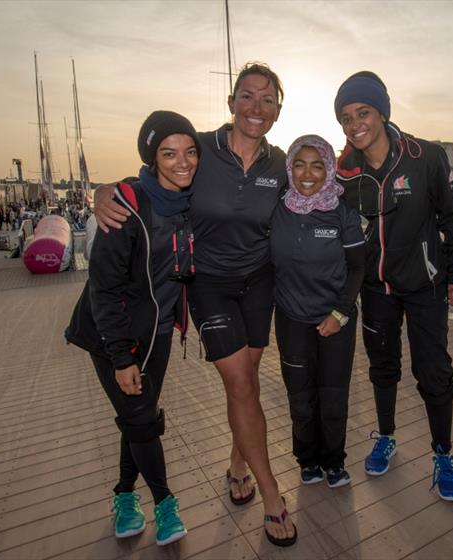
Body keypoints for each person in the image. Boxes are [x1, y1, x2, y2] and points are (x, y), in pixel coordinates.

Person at [92, 63, 297, 546]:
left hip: (259, 282)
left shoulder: (279, 163)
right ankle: (271, 496)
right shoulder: (201, 148)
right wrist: (102, 191)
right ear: (231, 103)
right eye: (247, 96)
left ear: (277, 111)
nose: (256, 108)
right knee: (243, 384)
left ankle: (237, 462)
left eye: (267, 100)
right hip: (209, 285)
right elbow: (155, 173)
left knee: (242, 383)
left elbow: (315, 195)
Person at [333, 71, 453, 501]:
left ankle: (443, 453)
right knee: (382, 367)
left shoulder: (425, 156)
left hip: (426, 285)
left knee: (434, 371)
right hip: (376, 290)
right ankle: (387, 435)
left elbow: (452, 219)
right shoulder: (344, 173)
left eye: (363, 112)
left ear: (382, 112)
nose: (355, 123)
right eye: (346, 116)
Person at [65, 110, 199, 546]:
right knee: (141, 417)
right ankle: (164, 502)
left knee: (134, 418)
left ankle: (124, 495)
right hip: (111, 336)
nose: (183, 162)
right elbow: (102, 290)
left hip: (158, 333)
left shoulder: (189, 201)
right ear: (152, 157)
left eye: (190, 151)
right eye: (169, 152)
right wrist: (121, 356)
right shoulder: (125, 207)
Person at [270, 135, 364, 488]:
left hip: (335, 320)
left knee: (333, 394)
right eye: (299, 163)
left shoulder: (342, 212)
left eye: (317, 164)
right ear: (289, 167)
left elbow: (357, 268)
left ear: (329, 168)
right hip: (291, 318)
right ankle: (307, 460)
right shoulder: (277, 207)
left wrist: (339, 314)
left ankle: (334, 461)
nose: (307, 173)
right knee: (300, 396)